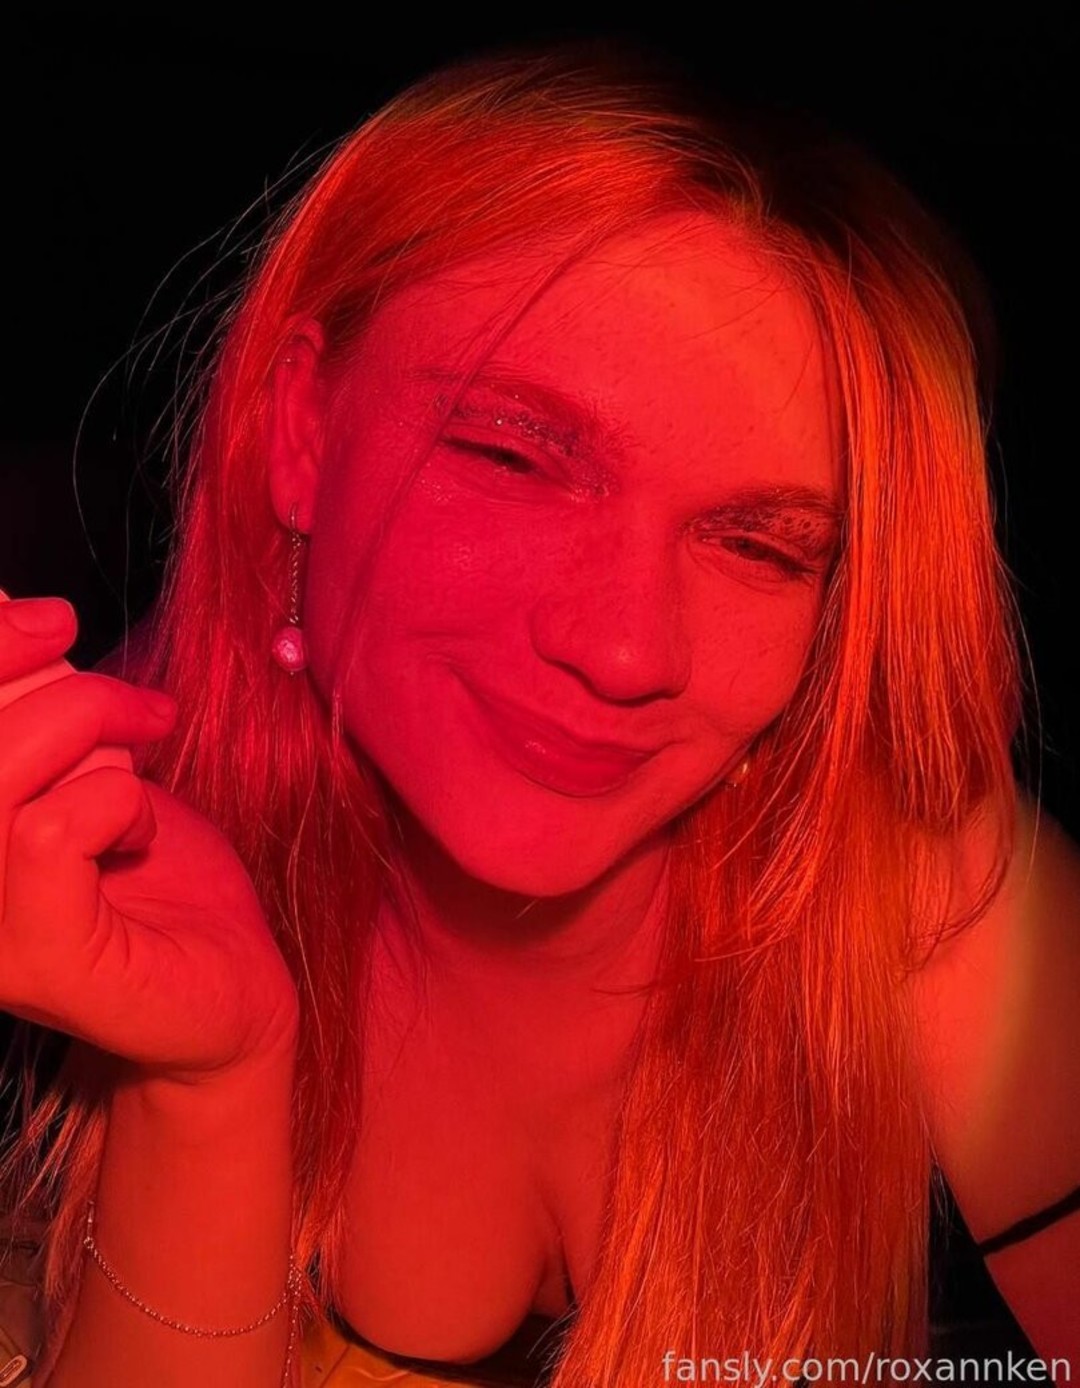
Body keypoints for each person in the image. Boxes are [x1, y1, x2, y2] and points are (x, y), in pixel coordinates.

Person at [0, 38, 1078, 1388]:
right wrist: (205, 1088)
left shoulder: (937, 918)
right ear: (302, 435)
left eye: (761, 545)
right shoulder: (98, 845)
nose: (625, 650)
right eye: (514, 457)